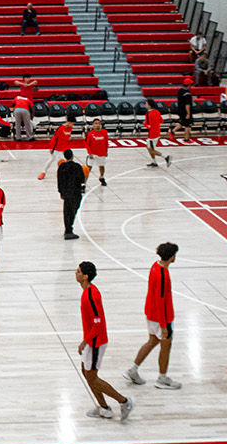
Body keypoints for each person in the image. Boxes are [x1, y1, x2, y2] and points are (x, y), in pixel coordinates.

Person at [77, 261, 134, 421]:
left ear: (85, 276)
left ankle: (124, 401)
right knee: (86, 373)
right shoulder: (88, 292)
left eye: (78, 271)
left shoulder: (91, 295)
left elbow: (98, 323)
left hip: (96, 342)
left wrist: (85, 342)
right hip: (91, 341)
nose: (76, 273)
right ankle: (104, 408)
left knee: (92, 377)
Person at [124, 242, 182, 389]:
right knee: (165, 346)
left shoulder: (155, 266)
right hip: (161, 317)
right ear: (172, 257)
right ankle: (162, 378)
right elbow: (161, 301)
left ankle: (133, 370)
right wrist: (164, 326)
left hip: (151, 313)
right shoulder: (163, 275)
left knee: (152, 341)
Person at [58, 149, 86, 240]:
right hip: (75, 191)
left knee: (67, 210)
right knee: (73, 209)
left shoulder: (62, 167)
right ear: (72, 155)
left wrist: (61, 191)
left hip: (66, 192)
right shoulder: (77, 166)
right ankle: (69, 229)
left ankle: (68, 229)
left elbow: (59, 180)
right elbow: (82, 179)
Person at [144, 100, 169, 168]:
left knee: (150, 149)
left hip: (152, 134)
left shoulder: (148, 114)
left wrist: (144, 124)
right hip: (157, 132)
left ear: (149, 105)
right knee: (149, 148)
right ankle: (154, 161)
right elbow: (161, 121)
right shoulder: (157, 112)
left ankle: (165, 156)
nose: (145, 105)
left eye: (146, 104)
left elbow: (148, 125)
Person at [85, 118, 109, 187]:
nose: (98, 125)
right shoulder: (90, 134)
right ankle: (84, 183)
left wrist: (106, 151)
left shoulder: (104, 132)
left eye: (99, 123)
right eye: (96, 123)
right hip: (93, 154)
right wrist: (90, 153)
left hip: (101, 153)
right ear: (93, 125)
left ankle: (101, 177)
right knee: (88, 168)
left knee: (101, 166)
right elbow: (87, 144)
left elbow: (106, 142)